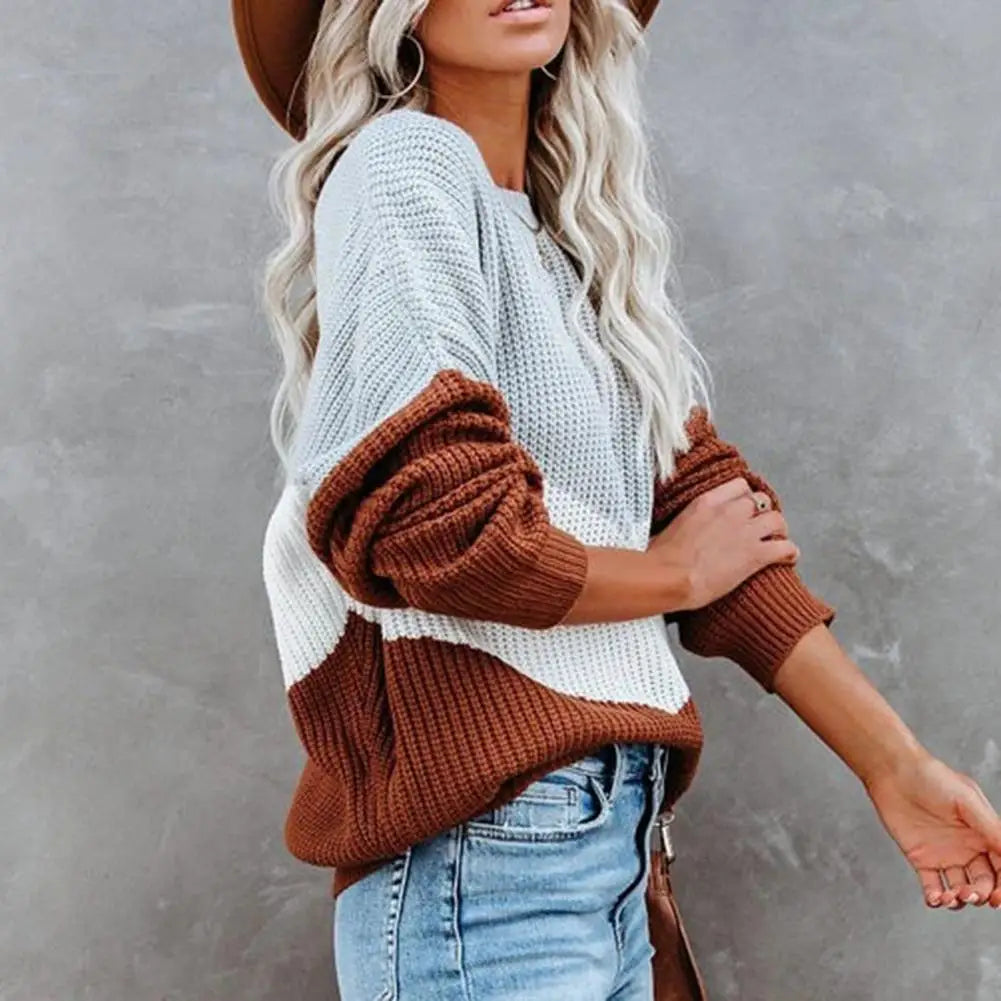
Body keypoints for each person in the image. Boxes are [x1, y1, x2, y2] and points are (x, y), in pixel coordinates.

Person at [232, 0, 1001, 997]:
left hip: (606, 850)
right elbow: (440, 529)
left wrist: (892, 763)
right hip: (487, 858)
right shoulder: (402, 166)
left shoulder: (567, 240)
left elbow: (717, 523)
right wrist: (673, 572)